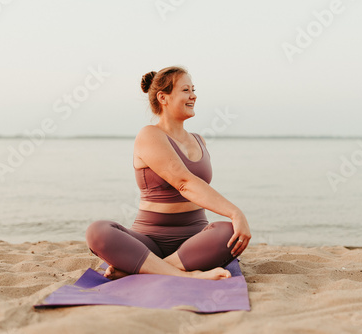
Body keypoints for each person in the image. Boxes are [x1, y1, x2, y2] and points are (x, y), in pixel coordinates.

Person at [86, 66, 251, 280]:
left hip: (194, 242)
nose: (193, 95)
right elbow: (184, 182)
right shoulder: (149, 135)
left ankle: (147, 268)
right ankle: (186, 275)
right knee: (98, 232)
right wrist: (236, 212)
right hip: (147, 242)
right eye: (185, 90)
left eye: (193, 89)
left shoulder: (199, 139)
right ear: (163, 97)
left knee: (229, 232)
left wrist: (234, 220)